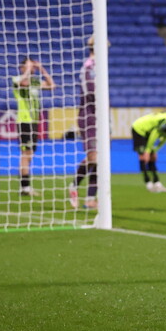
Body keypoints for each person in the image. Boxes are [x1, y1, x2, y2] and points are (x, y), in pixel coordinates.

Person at [12, 57, 56, 196]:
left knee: (30, 154)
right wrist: (28, 71)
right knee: (26, 154)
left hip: (34, 122)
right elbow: (22, 83)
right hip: (24, 121)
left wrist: (41, 69)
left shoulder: (35, 81)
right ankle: (24, 188)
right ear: (22, 68)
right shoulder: (16, 79)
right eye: (28, 66)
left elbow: (51, 85)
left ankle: (25, 185)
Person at [69, 36, 102, 209]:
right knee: (94, 157)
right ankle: (82, 192)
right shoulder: (90, 66)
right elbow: (91, 91)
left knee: (98, 159)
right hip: (89, 116)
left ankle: (87, 195)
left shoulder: (99, 66)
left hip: (101, 117)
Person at [131, 109, 166, 193]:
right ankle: (148, 183)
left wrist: (155, 149)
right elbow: (155, 133)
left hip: (148, 132)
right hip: (139, 128)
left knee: (153, 157)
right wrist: (147, 150)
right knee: (143, 156)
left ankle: (157, 183)